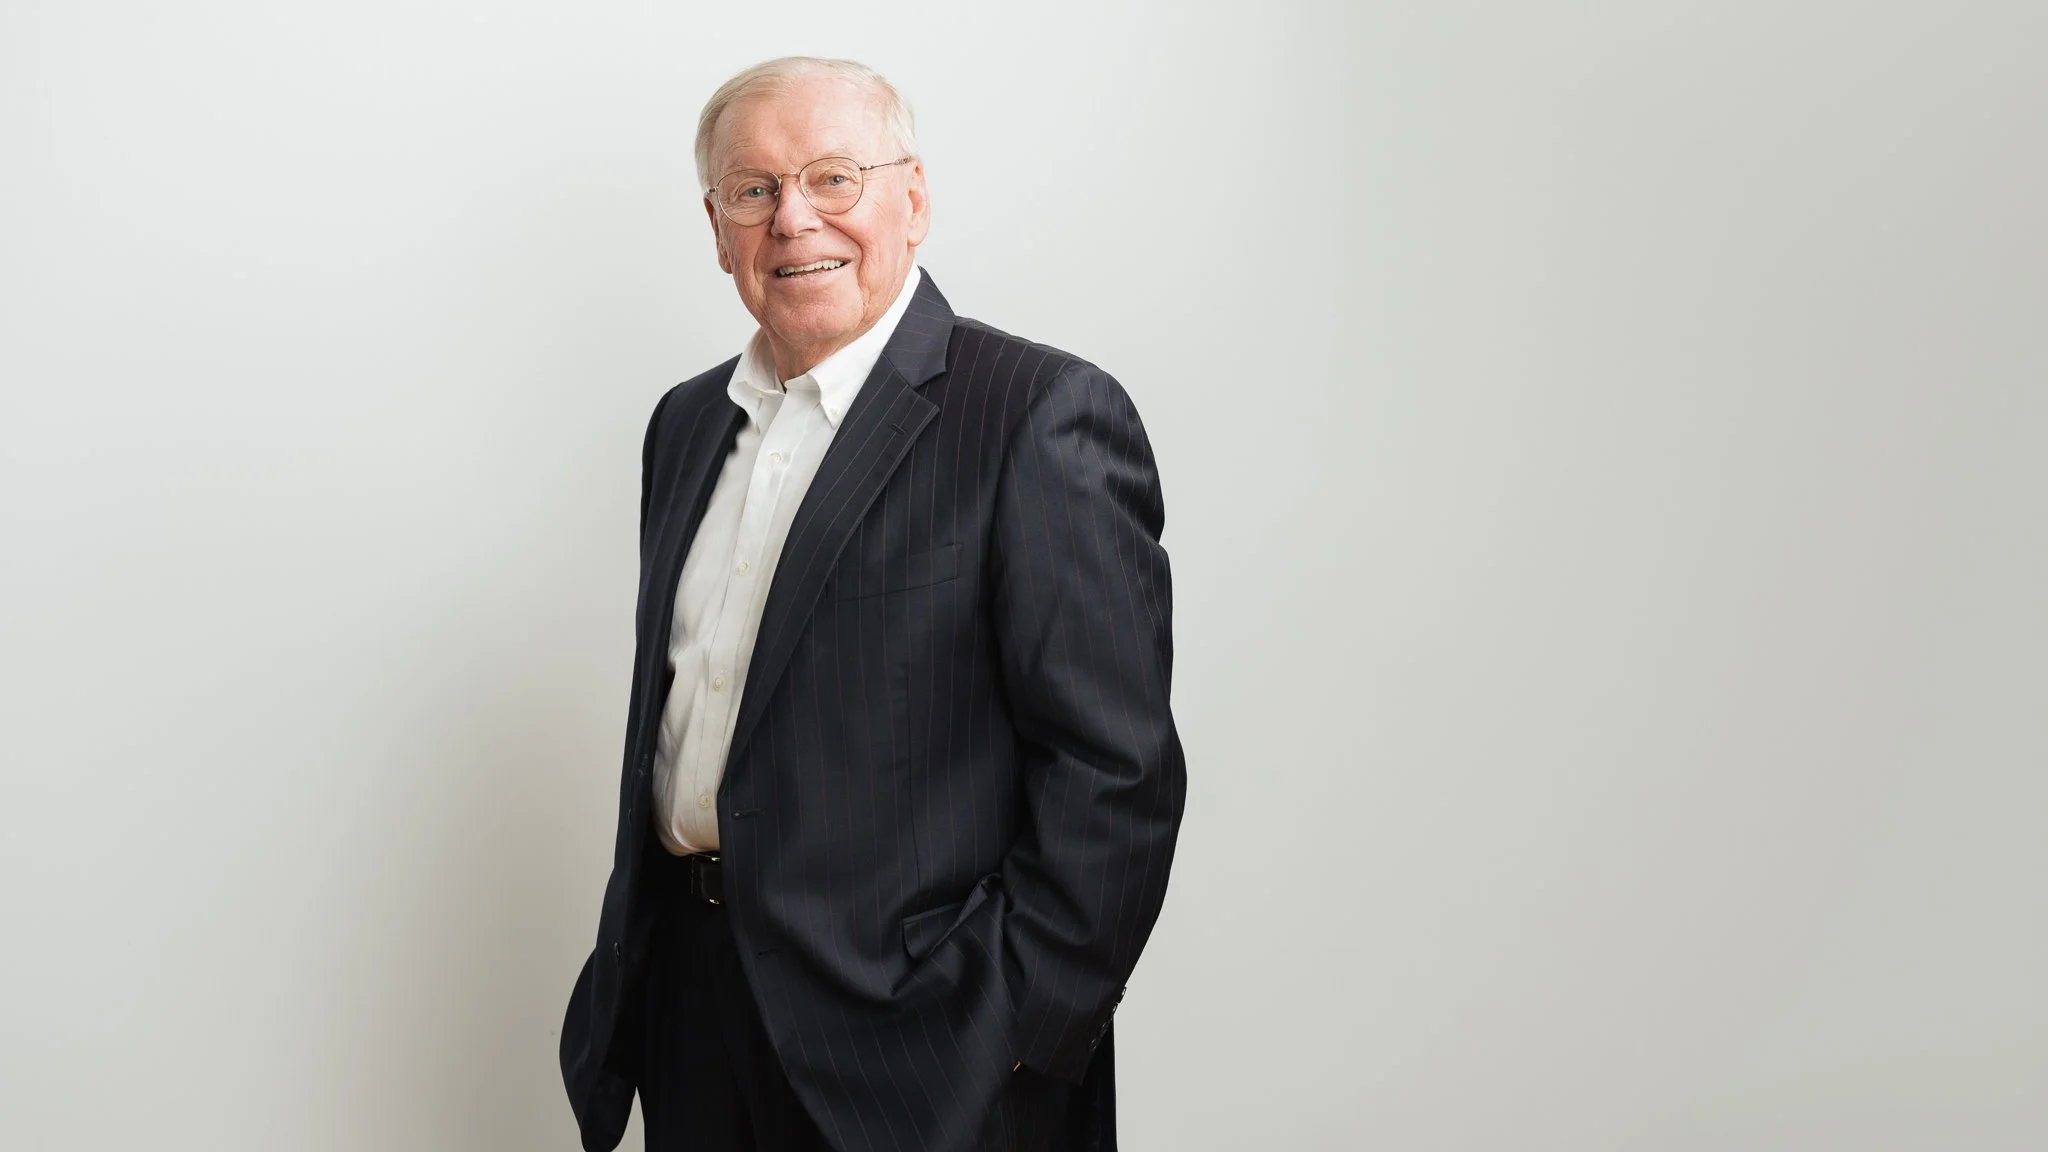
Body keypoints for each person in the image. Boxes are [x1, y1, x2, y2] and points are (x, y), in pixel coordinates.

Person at [557, 56, 1186, 1152]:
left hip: (925, 1052)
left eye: (832, 178)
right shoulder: (686, 424)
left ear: (913, 199)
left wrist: (1016, 1034)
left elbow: (1114, 777)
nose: (793, 219)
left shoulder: (1035, 413)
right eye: (752, 191)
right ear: (716, 228)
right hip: (692, 1019)